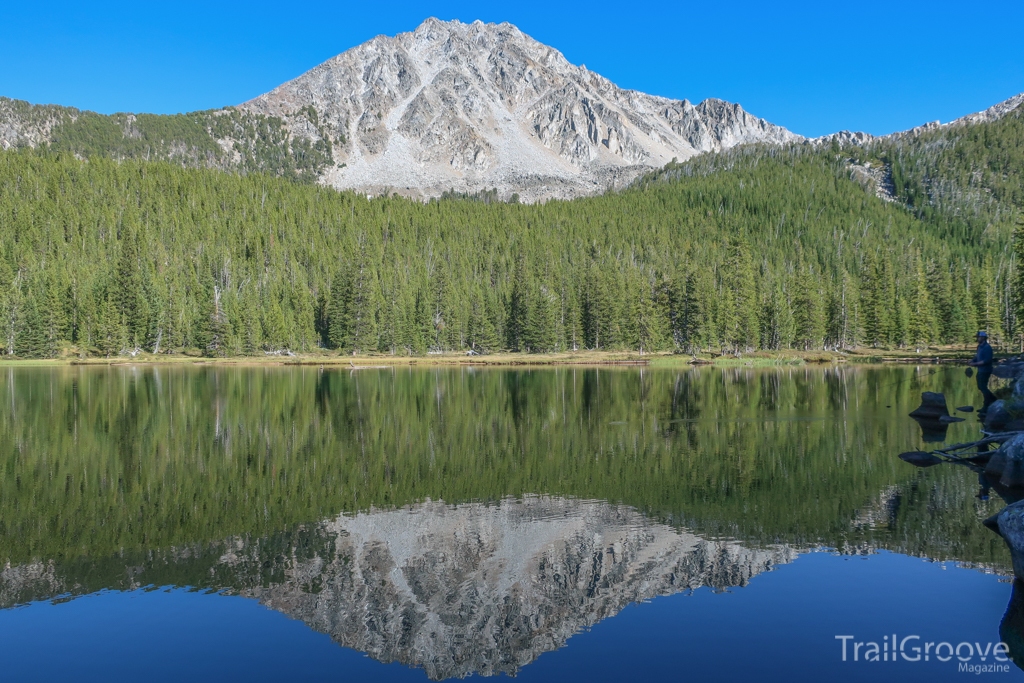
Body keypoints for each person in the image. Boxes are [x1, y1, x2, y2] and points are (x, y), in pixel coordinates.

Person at [967, 330, 996, 411]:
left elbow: (987, 360)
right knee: (980, 386)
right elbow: (977, 357)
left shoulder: (987, 348)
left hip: (986, 370)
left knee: (983, 387)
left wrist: (974, 364)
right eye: (977, 337)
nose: (977, 338)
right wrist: (972, 361)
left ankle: (986, 405)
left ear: (983, 337)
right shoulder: (979, 346)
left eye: (978, 337)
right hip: (980, 370)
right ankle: (993, 399)